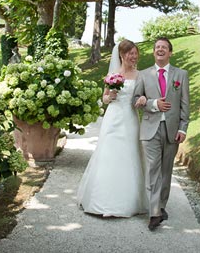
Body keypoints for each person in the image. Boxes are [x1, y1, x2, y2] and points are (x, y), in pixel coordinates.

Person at [77, 40, 148, 217]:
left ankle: (129, 201)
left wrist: (143, 100)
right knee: (108, 153)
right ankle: (102, 200)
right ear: (122, 55)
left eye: (135, 53)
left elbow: (144, 96)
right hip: (113, 118)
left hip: (130, 119)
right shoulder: (113, 75)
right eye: (130, 53)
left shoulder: (141, 75)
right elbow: (104, 99)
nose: (134, 56)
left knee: (129, 153)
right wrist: (111, 96)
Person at [133, 37, 190, 231]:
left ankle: (161, 205)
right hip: (150, 129)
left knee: (166, 171)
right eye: (157, 47)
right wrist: (153, 104)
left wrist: (183, 128)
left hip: (172, 131)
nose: (160, 49)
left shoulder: (181, 75)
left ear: (170, 52)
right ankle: (154, 212)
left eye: (164, 47)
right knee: (153, 171)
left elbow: (185, 105)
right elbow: (135, 100)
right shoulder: (143, 74)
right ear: (153, 52)